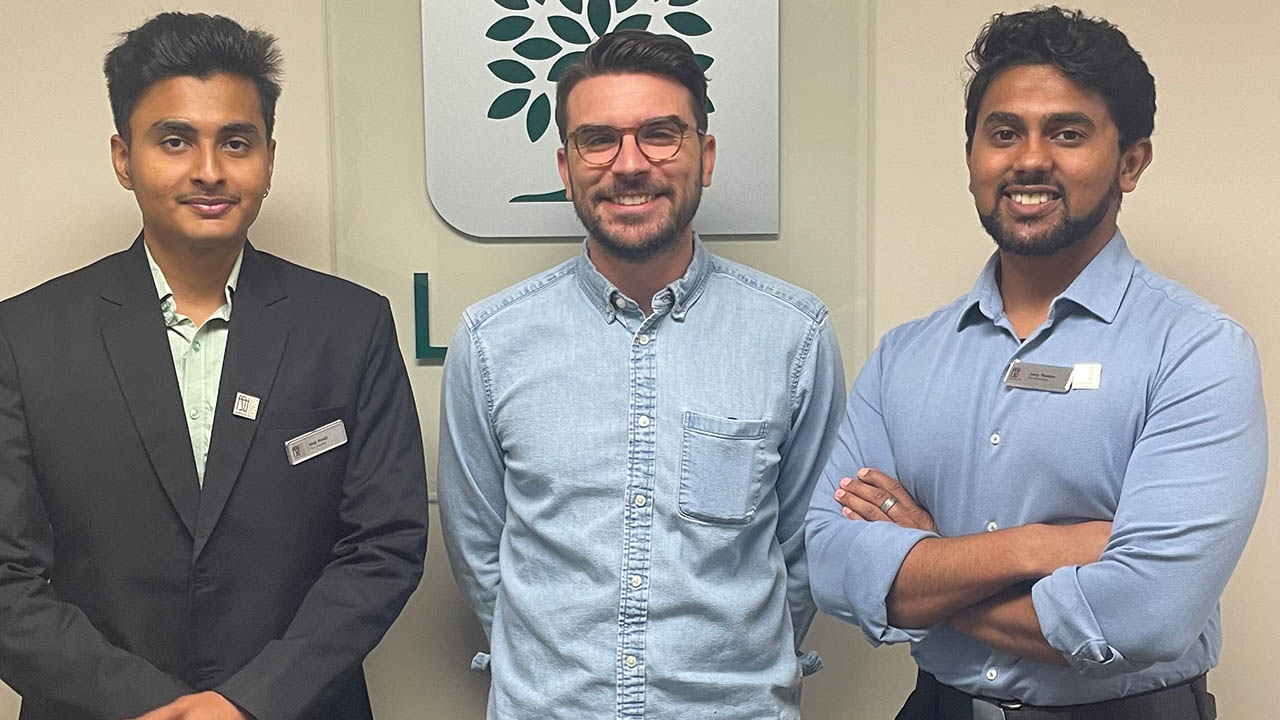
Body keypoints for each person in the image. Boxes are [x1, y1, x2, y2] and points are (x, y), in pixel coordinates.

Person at [806, 7, 1265, 720]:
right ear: (971, 159)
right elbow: (832, 566)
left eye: (1069, 133)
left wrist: (922, 563)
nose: (1029, 159)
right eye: (1003, 132)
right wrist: (1038, 548)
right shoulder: (904, 357)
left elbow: (1142, 616)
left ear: (1131, 161)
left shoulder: (1198, 351)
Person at [0, 13, 428, 720]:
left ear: (267, 155)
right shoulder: (24, 336)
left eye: (236, 141)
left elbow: (384, 546)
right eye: (175, 140)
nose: (209, 170)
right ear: (123, 157)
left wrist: (248, 702)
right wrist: (146, 703)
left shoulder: (350, 327)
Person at [438, 29, 846, 720]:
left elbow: (806, 546)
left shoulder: (793, 336)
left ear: (704, 156)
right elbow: (480, 548)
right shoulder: (490, 340)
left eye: (660, 134)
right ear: (566, 166)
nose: (630, 165)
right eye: (599, 140)